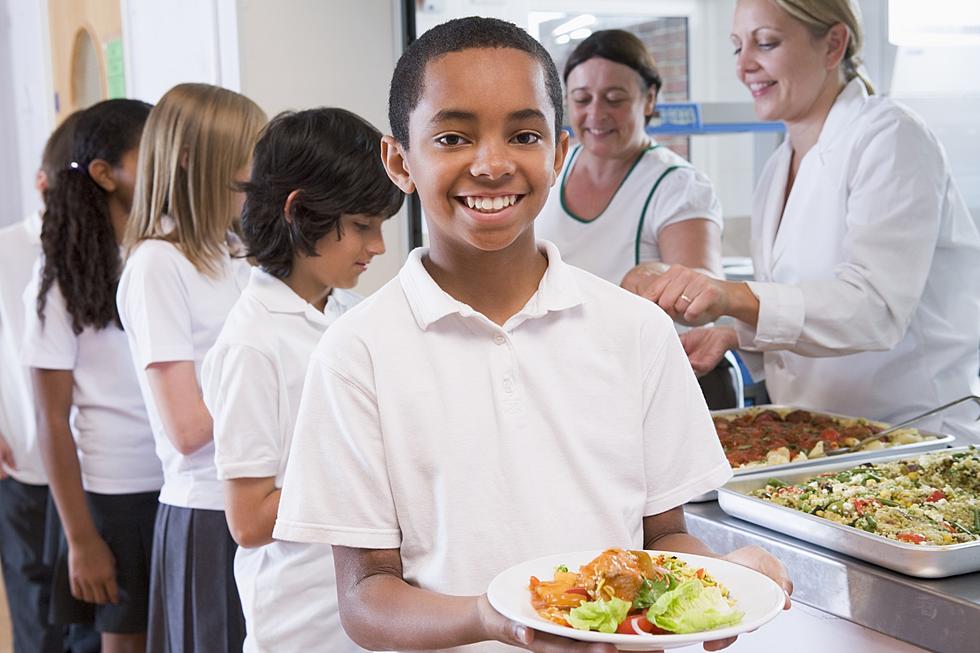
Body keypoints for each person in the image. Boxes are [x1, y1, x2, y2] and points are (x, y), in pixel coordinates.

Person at [274, 17, 791, 653]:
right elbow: (364, 599)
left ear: (558, 151)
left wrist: (719, 586)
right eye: (453, 137)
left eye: (523, 134)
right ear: (398, 160)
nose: (491, 165)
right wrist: (493, 620)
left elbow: (665, 540)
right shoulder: (357, 354)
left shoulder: (635, 331)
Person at [625, 0, 980, 441]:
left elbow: (875, 310)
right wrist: (736, 335)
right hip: (822, 435)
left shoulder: (891, 137)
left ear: (833, 45)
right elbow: (806, 307)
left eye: (766, 43)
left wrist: (731, 296)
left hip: (914, 435)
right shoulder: (779, 167)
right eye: (738, 47)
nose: (745, 65)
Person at [200, 107, 402, 653]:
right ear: (298, 212)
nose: (378, 247)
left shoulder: (350, 313)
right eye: (363, 226)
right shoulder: (252, 345)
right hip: (301, 621)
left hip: (369, 604)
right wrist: (373, 473)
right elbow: (247, 519)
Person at [116, 83, 266, 652]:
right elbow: (186, 430)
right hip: (206, 511)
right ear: (193, 161)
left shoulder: (235, 254)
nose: (254, 174)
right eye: (244, 157)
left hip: (258, 497)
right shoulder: (157, 265)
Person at [22, 99, 161, 653]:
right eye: (148, 155)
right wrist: (80, 538)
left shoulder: (169, 253)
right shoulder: (60, 279)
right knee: (124, 641)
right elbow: (51, 419)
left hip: (183, 483)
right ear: (105, 174)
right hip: (114, 494)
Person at [0, 110, 100, 653]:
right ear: (43, 184)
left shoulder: (107, 253)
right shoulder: (6, 250)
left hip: (94, 468)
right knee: (35, 609)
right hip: (22, 461)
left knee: (85, 621)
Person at [536, 29, 723, 286]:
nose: (596, 113)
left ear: (649, 99)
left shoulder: (679, 186)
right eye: (582, 99)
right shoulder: (552, 166)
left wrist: (662, 281)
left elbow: (704, 289)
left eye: (614, 99)